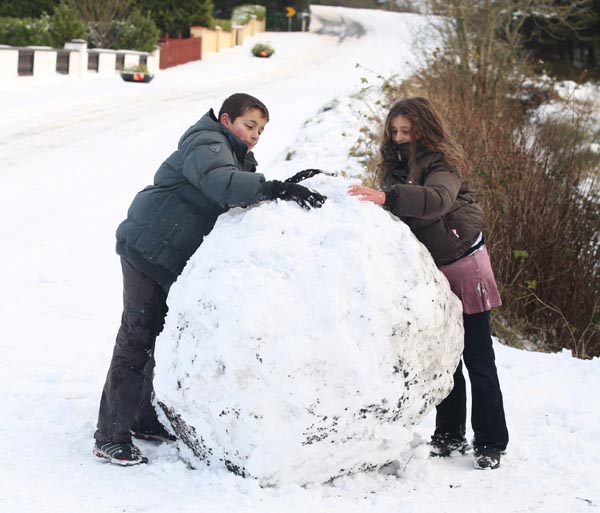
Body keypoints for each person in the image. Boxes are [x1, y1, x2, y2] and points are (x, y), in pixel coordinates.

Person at [93, 93, 326, 466]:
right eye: (249, 126)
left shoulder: (236, 155)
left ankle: (141, 419)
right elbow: (223, 185)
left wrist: (276, 191)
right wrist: (272, 186)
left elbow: (237, 193)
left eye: (261, 131)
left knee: (159, 339)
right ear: (226, 118)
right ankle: (109, 435)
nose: (254, 136)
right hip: (149, 248)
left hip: (170, 256)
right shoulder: (208, 142)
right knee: (137, 338)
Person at [348, 97, 508, 470]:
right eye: (395, 131)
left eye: (408, 131)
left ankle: (490, 442)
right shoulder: (394, 166)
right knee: (445, 359)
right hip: (430, 273)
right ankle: (449, 435)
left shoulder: (444, 164)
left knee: (478, 357)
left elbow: (436, 200)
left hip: (464, 266)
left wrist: (387, 197)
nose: (400, 138)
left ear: (425, 129)